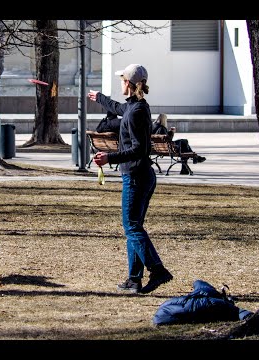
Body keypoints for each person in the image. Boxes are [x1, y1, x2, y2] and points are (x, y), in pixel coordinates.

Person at [88, 63, 173, 294]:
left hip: (136, 176)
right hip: (141, 175)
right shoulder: (136, 106)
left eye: (121, 80)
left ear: (128, 83)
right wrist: (100, 98)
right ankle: (134, 279)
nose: (120, 84)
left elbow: (139, 149)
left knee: (132, 227)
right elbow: (117, 107)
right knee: (134, 227)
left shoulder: (135, 112)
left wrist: (109, 158)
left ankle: (157, 270)